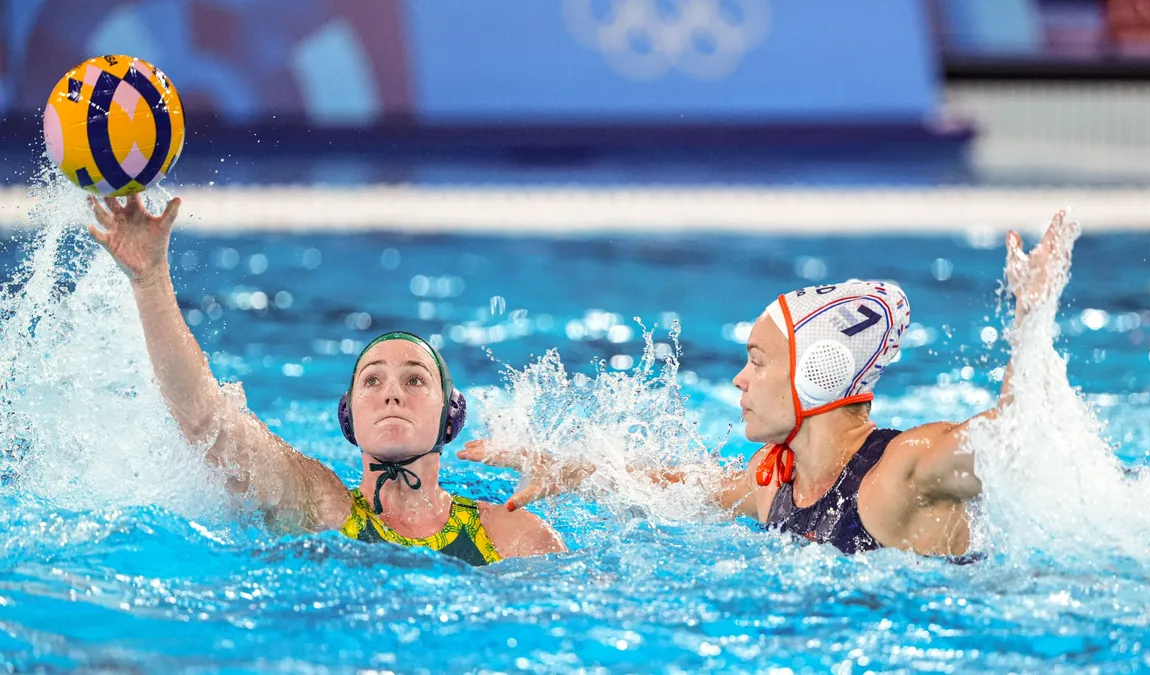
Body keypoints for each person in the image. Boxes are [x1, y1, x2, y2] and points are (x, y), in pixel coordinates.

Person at [459, 212, 1080, 558]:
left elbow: (1017, 439)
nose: (739, 379)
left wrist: (1032, 316)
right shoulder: (775, 480)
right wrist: (573, 471)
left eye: (757, 361)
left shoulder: (904, 470)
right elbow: (684, 488)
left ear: (819, 374)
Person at [87, 194, 564, 565]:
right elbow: (205, 421)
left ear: (451, 417)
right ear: (349, 416)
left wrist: (581, 472)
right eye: (372, 382)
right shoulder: (322, 507)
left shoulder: (512, 534)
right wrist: (149, 281)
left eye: (415, 381)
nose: (392, 392)